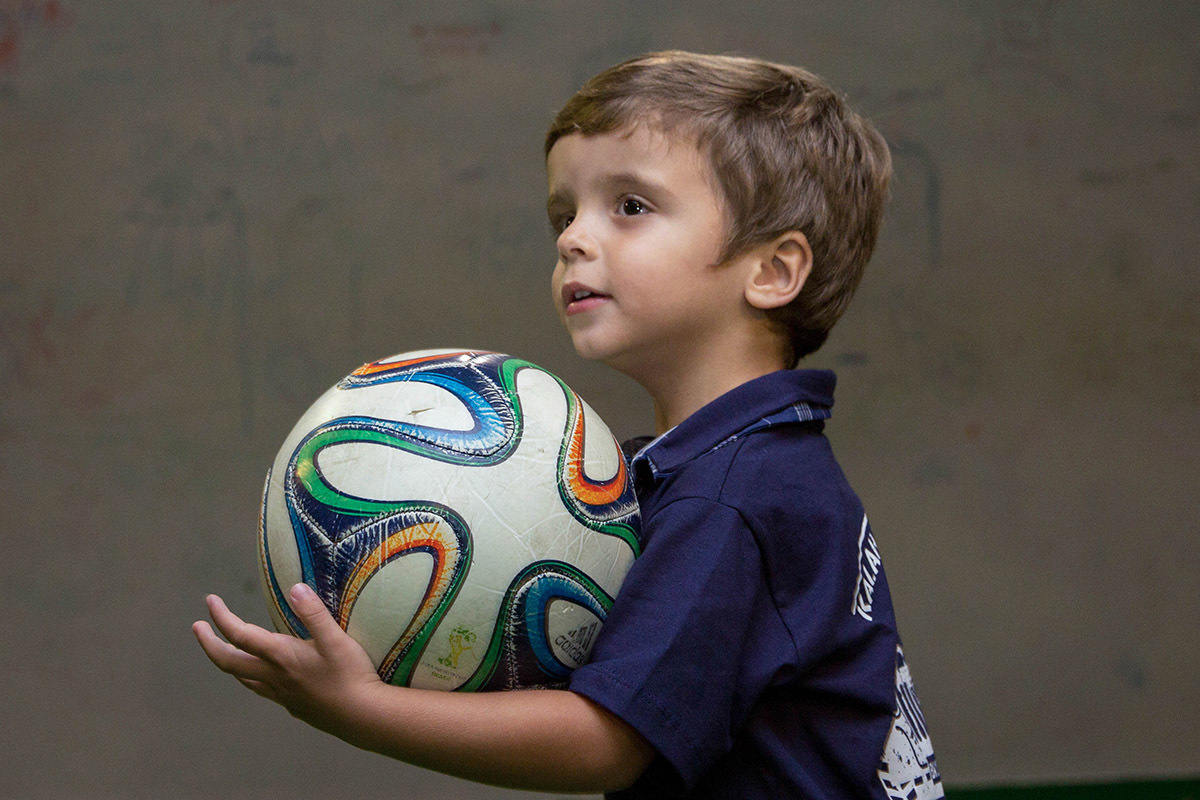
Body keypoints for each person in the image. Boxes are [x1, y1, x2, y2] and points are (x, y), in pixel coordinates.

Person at [194, 50, 943, 799]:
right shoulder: (733, 466)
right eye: (565, 212)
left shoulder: (732, 496)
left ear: (773, 271)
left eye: (630, 206)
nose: (572, 238)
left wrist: (363, 707)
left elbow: (603, 743)